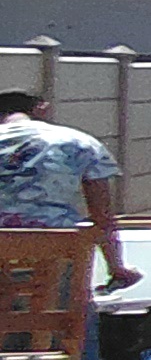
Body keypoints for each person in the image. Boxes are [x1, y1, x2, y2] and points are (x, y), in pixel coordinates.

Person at [0, 87, 132, 291]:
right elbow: (102, 216)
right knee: (67, 305)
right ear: (40, 109)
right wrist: (116, 268)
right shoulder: (79, 142)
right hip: (58, 249)